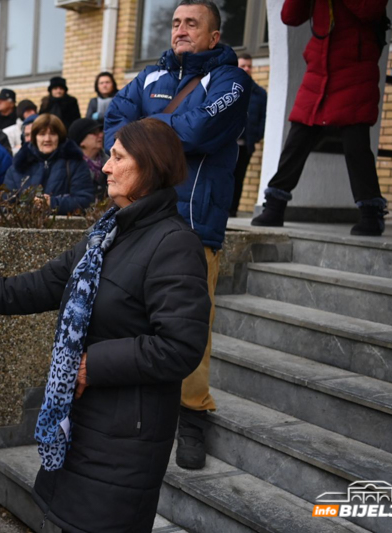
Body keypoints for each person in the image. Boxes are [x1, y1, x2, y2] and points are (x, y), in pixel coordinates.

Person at [0, 118, 211, 533]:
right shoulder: (108, 233)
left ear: (149, 166)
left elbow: (180, 345)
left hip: (126, 435)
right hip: (84, 421)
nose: (106, 167)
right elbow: (39, 285)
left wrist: (93, 363)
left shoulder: (174, 244)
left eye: (117, 157)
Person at [104, 0, 251, 471]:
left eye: (193, 23)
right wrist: (163, 132)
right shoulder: (148, 77)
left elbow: (202, 129)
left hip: (193, 225)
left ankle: (193, 414)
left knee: (190, 331)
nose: (181, 29)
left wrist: (142, 134)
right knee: (129, 318)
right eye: (176, 22)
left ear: (214, 36)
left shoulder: (231, 82)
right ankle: (140, 406)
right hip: (137, 220)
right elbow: (113, 128)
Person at [251, 0, 389, 235]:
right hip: (319, 70)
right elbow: (290, 16)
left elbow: (370, 10)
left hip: (355, 68)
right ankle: (274, 206)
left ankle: (371, 213)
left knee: (356, 145)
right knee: (297, 140)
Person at [4, 114, 94, 215]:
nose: (47, 139)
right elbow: (6, 205)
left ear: (59, 137)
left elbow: (85, 200)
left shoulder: (74, 163)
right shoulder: (19, 165)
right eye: (42, 134)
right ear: (35, 137)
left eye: (53, 134)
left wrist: (52, 203)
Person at [230, 54, 267, 217]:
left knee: (239, 178)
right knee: (224, 177)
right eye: (243, 65)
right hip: (227, 144)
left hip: (246, 145)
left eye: (249, 66)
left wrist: (256, 136)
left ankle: (232, 211)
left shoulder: (259, 93)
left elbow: (263, 119)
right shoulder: (227, 87)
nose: (246, 69)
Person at [69, 118, 109, 199]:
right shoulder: (71, 167)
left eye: (100, 131)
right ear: (81, 141)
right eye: (94, 133)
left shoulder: (109, 161)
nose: (101, 135)